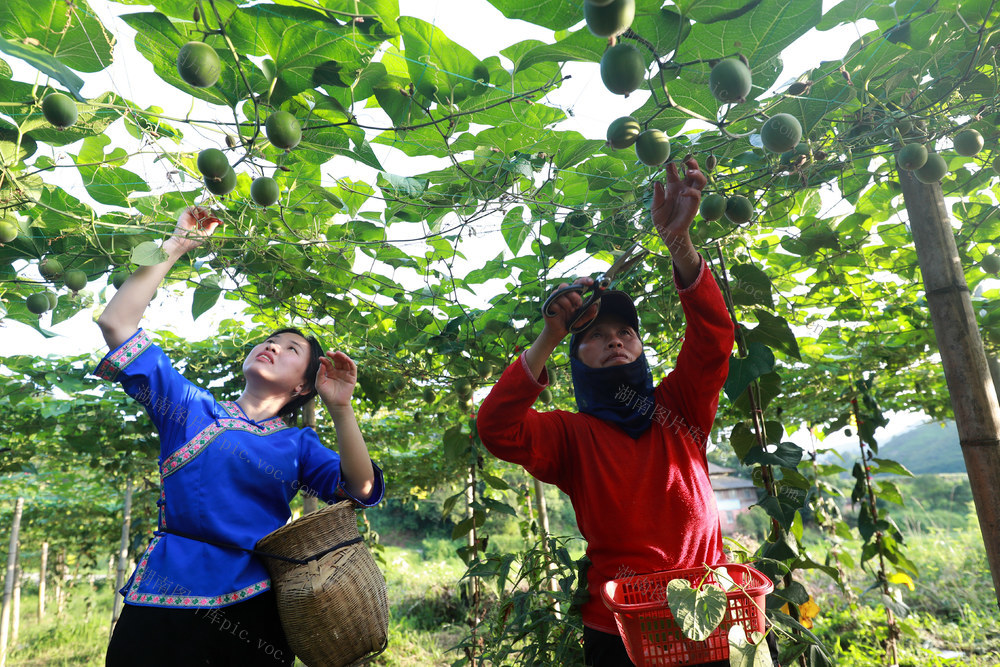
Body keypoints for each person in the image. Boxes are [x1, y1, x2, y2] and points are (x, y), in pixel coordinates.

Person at [476, 157, 737, 667]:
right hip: (622, 628)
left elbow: (713, 341)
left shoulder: (678, 407)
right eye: (596, 337)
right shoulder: (570, 436)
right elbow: (497, 428)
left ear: (640, 349)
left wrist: (680, 245)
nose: (615, 341)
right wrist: (550, 336)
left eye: (626, 334)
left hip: (710, 612)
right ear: (576, 363)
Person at [98, 206, 385, 667]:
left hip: (252, 609)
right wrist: (175, 245)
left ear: (303, 386)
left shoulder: (297, 446)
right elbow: (116, 325)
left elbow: (362, 487)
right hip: (160, 600)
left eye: (292, 349)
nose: (272, 345)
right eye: (270, 340)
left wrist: (341, 408)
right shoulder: (190, 409)